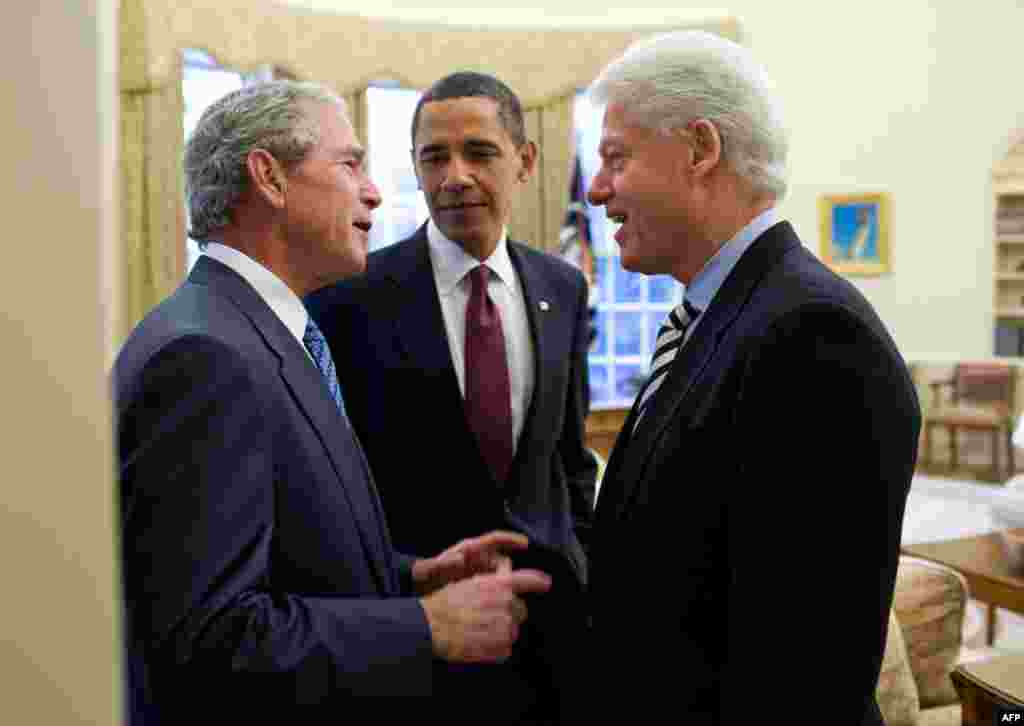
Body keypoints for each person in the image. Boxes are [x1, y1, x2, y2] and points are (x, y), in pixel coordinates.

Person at [113, 80, 552, 722]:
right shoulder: (206, 358)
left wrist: (407, 577)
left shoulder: (259, 330)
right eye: (350, 164)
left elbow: (287, 561)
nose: (374, 191)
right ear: (269, 177)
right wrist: (423, 628)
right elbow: (208, 638)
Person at [582, 31, 921, 723]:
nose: (595, 190)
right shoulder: (725, 314)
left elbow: (802, 671)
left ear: (700, 150)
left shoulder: (814, 335)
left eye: (616, 157)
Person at [305, 71, 597, 722]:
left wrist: (584, 566)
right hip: (418, 636)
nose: (455, 175)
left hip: (552, 634)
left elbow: (569, 460)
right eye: (434, 157)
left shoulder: (562, 288)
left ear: (524, 161)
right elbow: (334, 484)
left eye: (479, 152)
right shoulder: (349, 296)